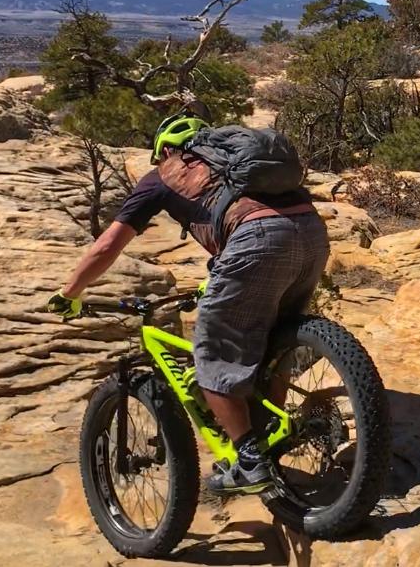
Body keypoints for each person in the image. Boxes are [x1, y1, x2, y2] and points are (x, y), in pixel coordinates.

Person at [46, 112, 330, 493]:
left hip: (257, 240)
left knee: (212, 353)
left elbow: (108, 244)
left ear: (165, 149)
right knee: (274, 341)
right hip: (312, 234)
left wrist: (70, 292)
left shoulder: (166, 173)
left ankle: (248, 459)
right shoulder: (234, 165)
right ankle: (269, 440)